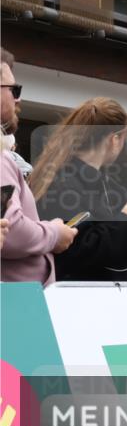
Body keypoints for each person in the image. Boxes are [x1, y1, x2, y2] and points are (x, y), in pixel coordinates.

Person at [31, 98, 127, 281]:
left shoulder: (98, 179)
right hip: (78, 297)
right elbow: (80, 249)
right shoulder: (61, 182)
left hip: (97, 293)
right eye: (124, 138)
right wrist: (126, 220)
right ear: (114, 139)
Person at [0, 47, 77, 283]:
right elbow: (11, 230)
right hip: (16, 307)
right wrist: (54, 233)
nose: (18, 97)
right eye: (13, 89)